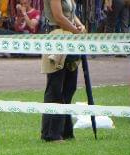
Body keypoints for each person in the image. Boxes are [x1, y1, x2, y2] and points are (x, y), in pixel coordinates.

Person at [40, 0, 86, 142]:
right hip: (57, 38)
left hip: (70, 39)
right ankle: (51, 134)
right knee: (55, 88)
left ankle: (65, 131)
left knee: (69, 87)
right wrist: (75, 30)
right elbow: (58, 17)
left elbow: (71, 14)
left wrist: (80, 25)